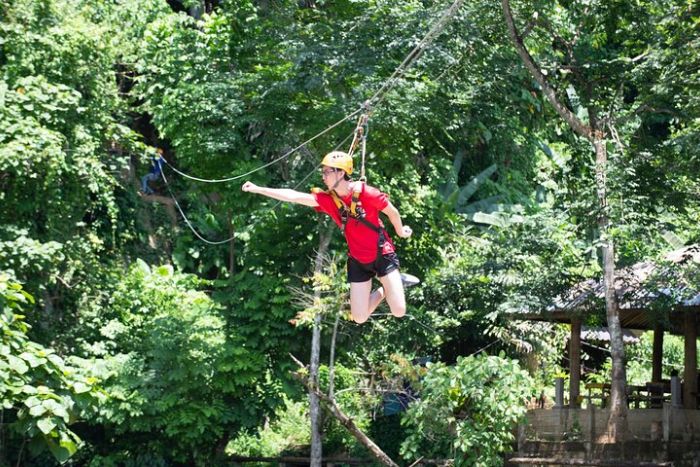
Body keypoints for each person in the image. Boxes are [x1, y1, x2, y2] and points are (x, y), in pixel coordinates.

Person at [242, 151, 418, 324]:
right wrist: (259, 189)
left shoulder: (366, 193)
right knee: (359, 317)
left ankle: (394, 282)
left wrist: (401, 231)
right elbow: (294, 196)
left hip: (381, 254)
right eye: (323, 172)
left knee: (399, 311)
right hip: (358, 260)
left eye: (327, 172)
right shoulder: (328, 200)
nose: (323, 176)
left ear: (341, 173)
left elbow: (392, 212)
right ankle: (385, 289)